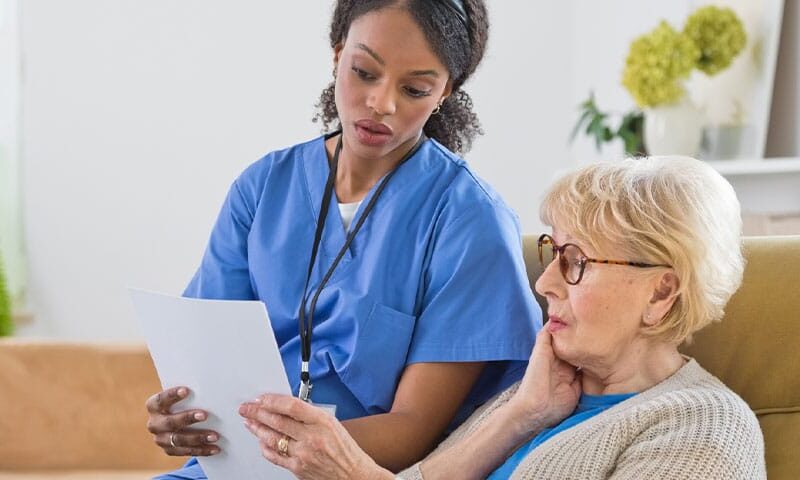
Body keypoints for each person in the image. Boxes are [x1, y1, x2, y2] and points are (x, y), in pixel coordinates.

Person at [145, 0, 542, 477]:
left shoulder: (470, 221)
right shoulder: (263, 188)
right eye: (364, 73)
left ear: (445, 92)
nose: (381, 103)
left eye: (415, 89)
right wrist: (185, 419)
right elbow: (206, 353)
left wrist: (278, 447)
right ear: (337, 56)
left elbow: (413, 431)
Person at [239, 156, 767, 479]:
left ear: (661, 293)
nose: (545, 284)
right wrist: (521, 415)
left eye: (576, 262)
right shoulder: (537, 393)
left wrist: (352, 475)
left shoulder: (705, 429)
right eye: (552, 253)